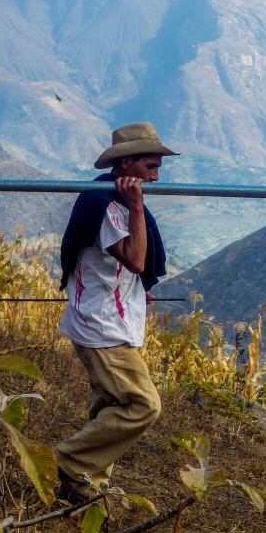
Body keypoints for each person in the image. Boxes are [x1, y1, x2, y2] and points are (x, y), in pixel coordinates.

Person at [54, 122, 178, 504]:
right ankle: (68, 459)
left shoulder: (113, 200)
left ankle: (84, 488)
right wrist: (138, 206)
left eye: (158, 168)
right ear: (126, 163)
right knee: (142, 404)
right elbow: (136, 259)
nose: (155, 176)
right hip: (101, 327)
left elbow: (121, 269)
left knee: (109, 405)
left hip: (106, 317)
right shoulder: (108, 205)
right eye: (149, 167)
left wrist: (138, 293)